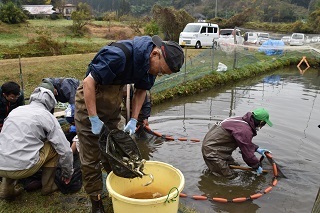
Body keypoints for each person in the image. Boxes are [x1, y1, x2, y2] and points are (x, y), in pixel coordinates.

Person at [75, 35, 184, 212]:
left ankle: (117, 188)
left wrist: (134, 119)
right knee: (91, 155)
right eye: (162, 70)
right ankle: (96, 201)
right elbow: (88, 83)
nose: (159, 74)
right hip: (90, 101)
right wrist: (94, 118)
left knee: (117, 151)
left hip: (112, 102)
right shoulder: (118, 55)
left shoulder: (150, 64)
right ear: (155, 54)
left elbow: (141, 91)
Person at [0, 82, 74, 201]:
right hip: (22, 168)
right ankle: (48, 186)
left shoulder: (16, 111)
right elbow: (65, 150)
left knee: (10, 147)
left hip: (1, 164)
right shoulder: (46, 116)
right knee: (54, 146)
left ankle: (6, 190)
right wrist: (67, 173)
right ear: (51, 101)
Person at [202, 108, 273, 178]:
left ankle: (214, 169)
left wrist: (257, 149)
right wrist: (256, 165)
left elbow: (244, 143)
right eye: (264, 124)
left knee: (235, 167)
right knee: (230, 177)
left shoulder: (240, 120)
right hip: (212, 152)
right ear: (261, 122)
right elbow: (247, 153)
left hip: (218, 148)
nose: (262, 126)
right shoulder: (245, 130)